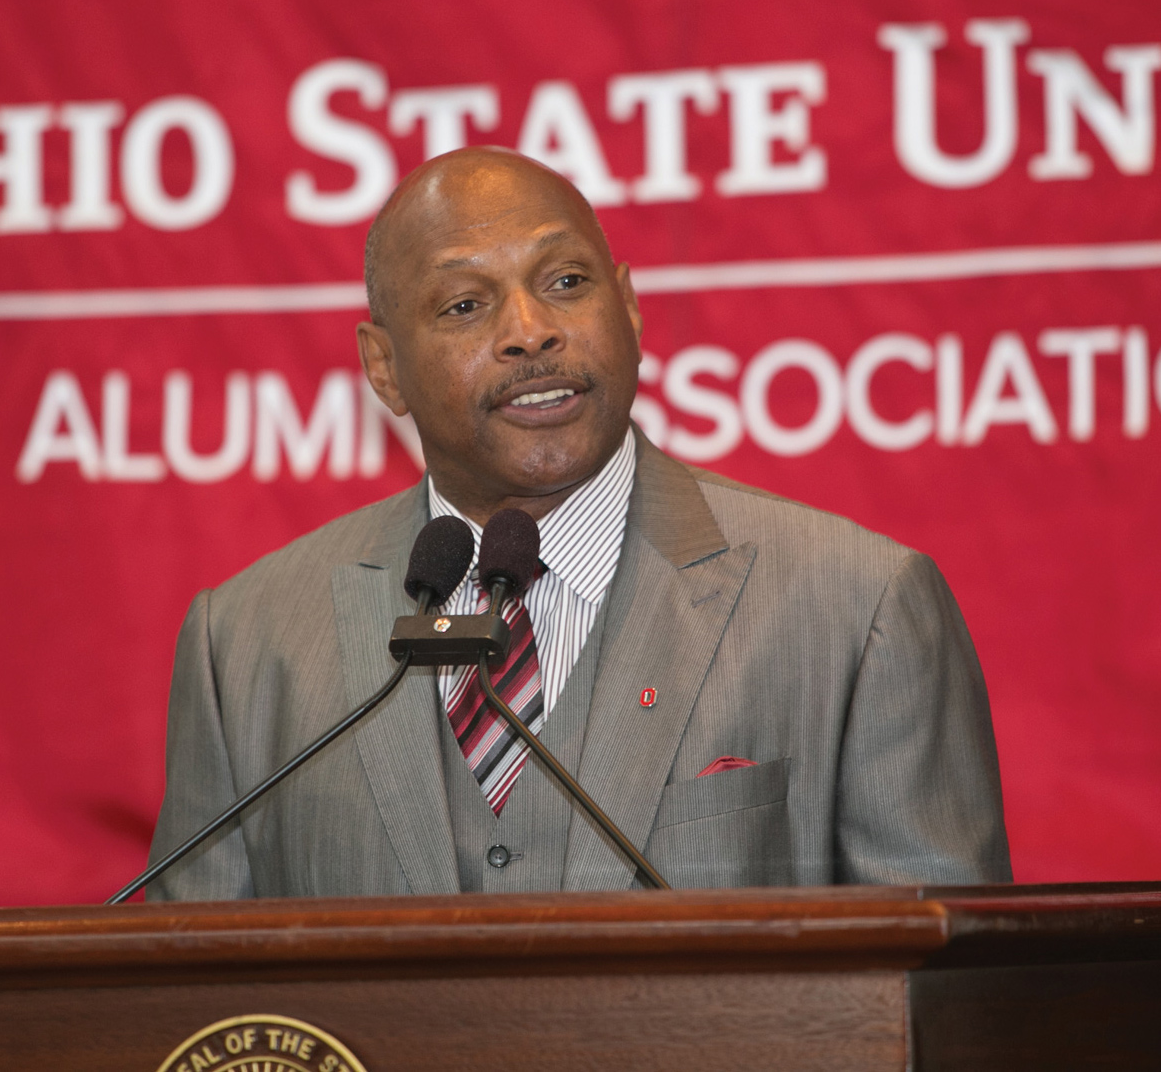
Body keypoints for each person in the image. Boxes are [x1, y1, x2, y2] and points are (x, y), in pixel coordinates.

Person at [147, 147, 1010, 899]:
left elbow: (938, 1001)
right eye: (464, 306)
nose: (531, 332)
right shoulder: (248, 644)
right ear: (383, 368)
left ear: (628, 309)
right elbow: (195, 1007)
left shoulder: (857, 608)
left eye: (565, 283)